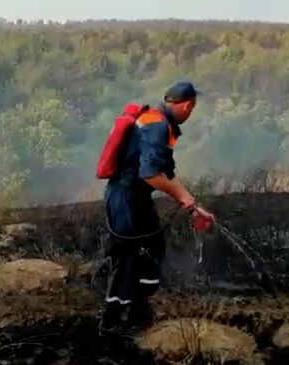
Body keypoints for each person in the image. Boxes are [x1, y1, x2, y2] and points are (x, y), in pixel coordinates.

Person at [99, 80, 216, 336]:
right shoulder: (157, 125)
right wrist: (184, 197)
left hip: (137, 198)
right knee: (128, 258)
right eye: (192, 108)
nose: (191, 112)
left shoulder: (159, 122)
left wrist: (193, 205)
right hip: (125, 198)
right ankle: (112, 323)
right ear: (187, 105)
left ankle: (139, 310)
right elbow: (151, 173)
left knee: (152, 249)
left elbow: (166, 173)